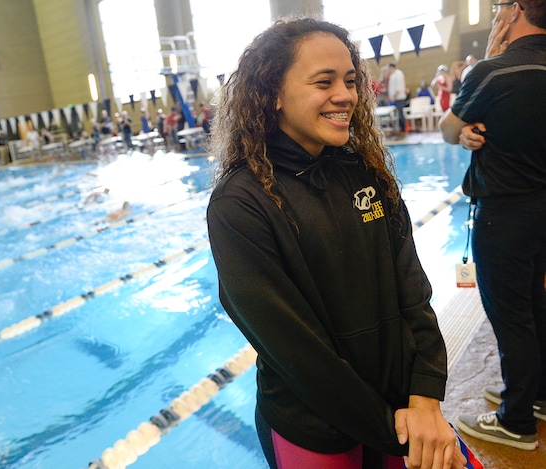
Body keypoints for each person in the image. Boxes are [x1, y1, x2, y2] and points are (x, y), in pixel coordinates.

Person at [207, 16, 466, 469]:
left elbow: (413, 289)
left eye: (350, 80)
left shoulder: (365, 172)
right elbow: (296, 352)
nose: (345, 95)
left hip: (401, 407)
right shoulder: (240, 204)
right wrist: (398, 431)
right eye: (324, 82)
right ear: (274, 95)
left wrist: (425, 394)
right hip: (316, 427)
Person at [439, 0, 546, 452]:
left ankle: (515, 420)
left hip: (504, 213)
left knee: (511, 315)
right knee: (538, 305)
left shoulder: (492, 72)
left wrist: (485, 56)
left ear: (515, 9)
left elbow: (448, 128)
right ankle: (537, 396)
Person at [387, 62, 407, 137]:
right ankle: (399, 129)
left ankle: (403, 129)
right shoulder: (393, 75)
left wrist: (394, 97)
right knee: (397, 114)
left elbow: (398, 87)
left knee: (400, 114)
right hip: (395, 98)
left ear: (391, 67)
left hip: (398, 98)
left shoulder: (398, 74)